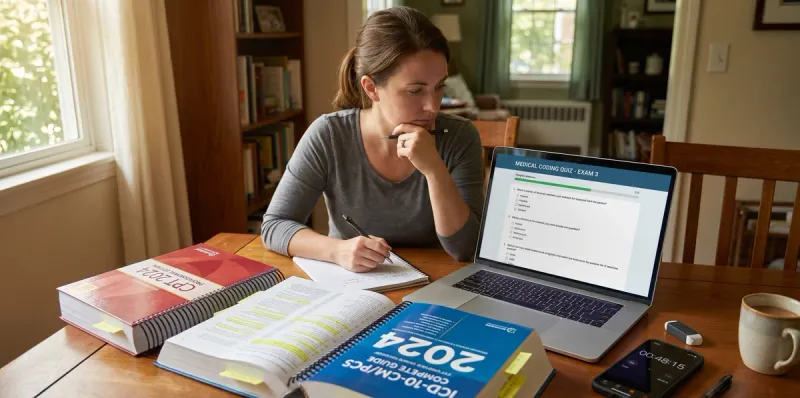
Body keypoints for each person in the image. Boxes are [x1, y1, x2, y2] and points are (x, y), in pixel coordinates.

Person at [261, 6, 484, 272]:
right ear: (371, 88)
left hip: (434, 288)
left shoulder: (459, 137)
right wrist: (337, 250)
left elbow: (466, 248)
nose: (433, 106)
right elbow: (275, 225)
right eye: (415, 91)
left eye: (439, 87)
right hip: (351, 287)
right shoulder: (329, 135)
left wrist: (435, 170)